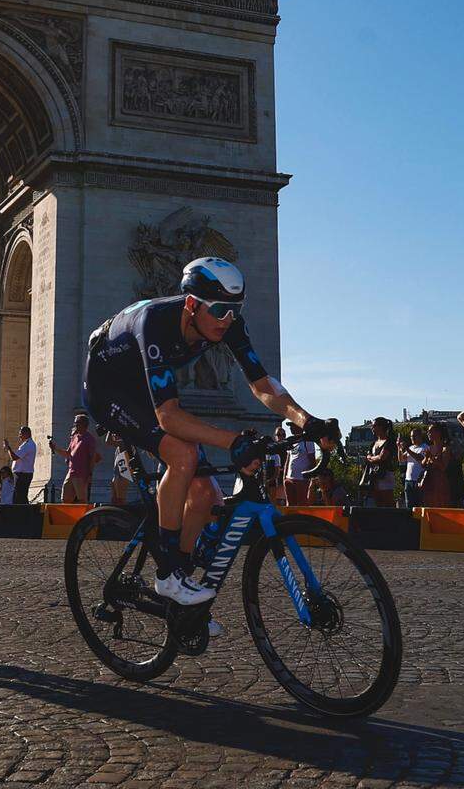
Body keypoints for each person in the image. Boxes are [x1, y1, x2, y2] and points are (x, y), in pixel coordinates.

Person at [82, 255, 337, 607]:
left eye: (236, 309)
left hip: (148, 388)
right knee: (183, 455)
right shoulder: (155, 321)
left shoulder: (226, 321)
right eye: (220, 310)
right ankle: (168, 575)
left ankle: (180, 592)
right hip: (110, 389)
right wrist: (234, 442)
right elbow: (169, 418)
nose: (228, 319)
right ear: (191, 304)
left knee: (205, 496)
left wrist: (306, 420)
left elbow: (262, 384)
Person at [50, 413, 101, 504]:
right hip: (71, 472)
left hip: (81, 474)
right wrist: (55, 448)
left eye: (76, 423)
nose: (74, 425)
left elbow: (92, 458)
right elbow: (68, 454)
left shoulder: (90, 439)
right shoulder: (74, 437)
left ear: (83, 424)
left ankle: (84, 517)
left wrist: (90, 474)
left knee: (82, 500)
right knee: (65, 499)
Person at [363, 417, 398, 508]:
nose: (372, 428)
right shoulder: (373, 443)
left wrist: (371, 458)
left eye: (374, 426)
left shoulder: (389, 442)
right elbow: (368, 456)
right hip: (374, 476)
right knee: (378, 503)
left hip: (385, 474)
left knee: (388, 502)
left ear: (381, 427)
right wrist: (372, 458)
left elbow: (382, 457)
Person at [420, 423, 452, 508]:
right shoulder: (429, 448)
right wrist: (426, 458)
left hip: (440, 481)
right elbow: (423, 464)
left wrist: (431, 457)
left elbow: (443, 467)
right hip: (429, 481)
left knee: (440, 503)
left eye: (430, 431)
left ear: (438, 433)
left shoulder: (445, 448)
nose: (428, 433)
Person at [284, 427, 318, 507]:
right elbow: (288, 460)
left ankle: (301, 519)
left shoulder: (308, 441)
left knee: (301, 503)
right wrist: (284, 477)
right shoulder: (291, 441)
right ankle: (291, 519)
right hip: (289, 477)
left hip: (301, 478)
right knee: (290, 504)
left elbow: (312, 461)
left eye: (293, 426)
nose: (291, 428)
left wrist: (311, 478)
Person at [2, 426, 37, 504]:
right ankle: (25, 514)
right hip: (22, 474)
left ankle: (23, 515)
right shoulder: (27, 444)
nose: (19, 436)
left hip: (23, 475)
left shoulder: (28, 445)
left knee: (19, 498)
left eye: (20, 434)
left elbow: (14, 457)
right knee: (21, 497)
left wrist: (8, 448)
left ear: (27, 434)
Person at [400, 426, 429, 508]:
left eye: (414, 436)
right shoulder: (411, 448)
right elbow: (402, 459)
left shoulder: (425, 447)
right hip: (408, 480)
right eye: (411, 436)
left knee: (419, 504)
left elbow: (419, 458)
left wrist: (407, 449)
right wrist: (399, 447)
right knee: (409, 504)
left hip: (418, 481)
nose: (412, 438)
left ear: (420, 436)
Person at [110, 438, 133, 505]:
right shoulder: (119, 447)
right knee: (114, 499)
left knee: (120, 500)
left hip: (123, 475)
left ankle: (122, 513)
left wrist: (110, 430)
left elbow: (109, 441)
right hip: (118, 474)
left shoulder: (123, 442)